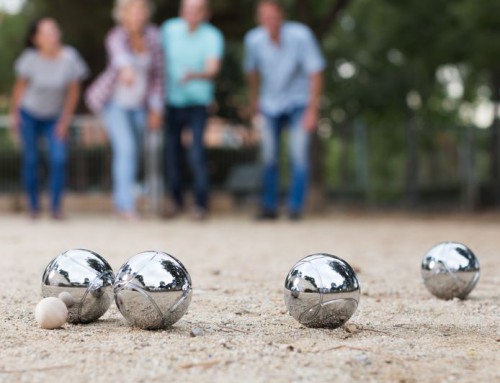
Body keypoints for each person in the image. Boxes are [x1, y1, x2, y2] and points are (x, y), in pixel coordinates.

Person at [244, 0, 325, 221]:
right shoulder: (254, 40)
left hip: (299, 101)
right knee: (269, 156)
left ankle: (295, 207)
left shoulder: (301, 36)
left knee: (298, 154)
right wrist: (254, 102)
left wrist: (312, 109)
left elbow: (315, 72)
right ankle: (269, 206)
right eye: (264, 17)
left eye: (273, 16)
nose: (269, 21)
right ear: (259, 19)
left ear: (282, 16)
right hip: (269, 103)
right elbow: (251, 73)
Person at [86, 0, 164, 221]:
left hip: (140, 105)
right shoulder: (116, 35)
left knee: (135, 153)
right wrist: (127, 69)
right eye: (133, 9)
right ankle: (126, 205)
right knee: (126, 150)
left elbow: (158, 75)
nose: (139, 13)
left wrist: (156, 108)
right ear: (124, 13)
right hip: (115, 104)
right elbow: (120, 57)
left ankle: (122, 201)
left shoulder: (154, 36)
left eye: (142, 9)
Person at [10, 18, 88, 220]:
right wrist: (15, 116)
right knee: (31, 159)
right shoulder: (29, 58)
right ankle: (33, 207)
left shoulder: (70, 57)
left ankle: (55, 208)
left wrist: (64, 121)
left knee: (59, 159)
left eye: (54, 30)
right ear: (36, 39)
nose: (53, 35)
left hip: (55, 116)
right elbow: (19, 89)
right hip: (29, 114)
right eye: (46, 32)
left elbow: (73, 92)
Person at [161, 0, 224, 220]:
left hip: (198, 101)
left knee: (196, 152)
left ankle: (201, 204)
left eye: (197, 10)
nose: (192, 14)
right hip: (171, 101)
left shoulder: (212, 36)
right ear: (181, 11)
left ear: (205, 13)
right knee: (172, 153)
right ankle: (176, 201)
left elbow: (213, 69)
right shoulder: (169, 29)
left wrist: (194, 75)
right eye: (188, 9)